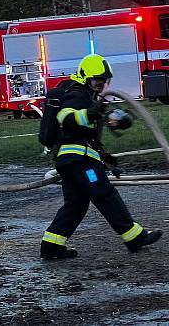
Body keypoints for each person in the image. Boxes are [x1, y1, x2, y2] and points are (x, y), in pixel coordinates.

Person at [41, 54, 162, 259]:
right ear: (86, 76)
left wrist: (106, 151)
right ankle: (134, 237)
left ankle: (51, 245)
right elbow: (65, 116)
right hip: (80, 161)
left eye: (104, 80)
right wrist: (90, 114)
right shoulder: (78, 94)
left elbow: (86, 132)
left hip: (72, 161)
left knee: (76, 204)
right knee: (105, 194)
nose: (101, 83)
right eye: (98, 79)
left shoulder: (87, 97)